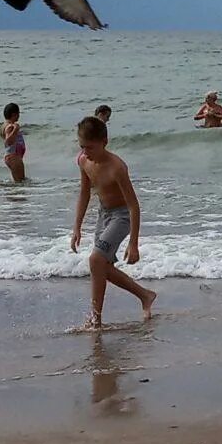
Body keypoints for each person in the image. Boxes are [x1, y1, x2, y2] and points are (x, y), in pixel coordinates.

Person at [69, 116, 156, 327]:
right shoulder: (83, 160)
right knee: (101, 267)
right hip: (104, 214)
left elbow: (134, 206)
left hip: (122, 215)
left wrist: (133, 243)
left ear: (104, 142)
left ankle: (95, 318)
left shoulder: (117, 167)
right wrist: (77, 227)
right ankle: (145, 295)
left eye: (90, 147)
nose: (86, 152)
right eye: (82, 147)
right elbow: (84, 194)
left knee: (95, 261)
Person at [0, 102, 27, 183]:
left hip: (11, 156)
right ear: (14, 114)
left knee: (18, 181)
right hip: (14, 157)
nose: (19, 115)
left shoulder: (5, 125)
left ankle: (14, 194)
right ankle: (18, 195)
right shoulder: (10, 127)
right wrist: (16, 129)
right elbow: (8, 141)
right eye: (18, 113)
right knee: (21, 181)